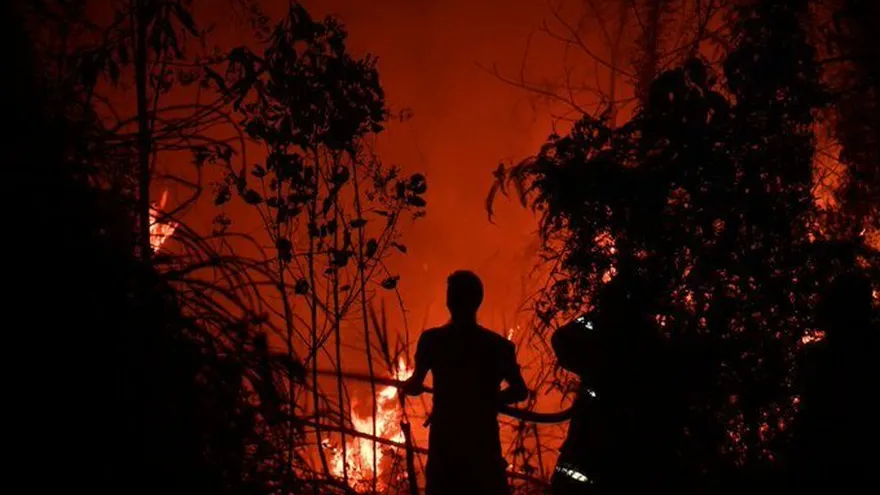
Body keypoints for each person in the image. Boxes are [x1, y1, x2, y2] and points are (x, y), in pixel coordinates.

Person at [403, 270, 528, 495]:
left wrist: (409, 385)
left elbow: (414, 385)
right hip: (483, 443)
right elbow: (519, 391)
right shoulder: (499, 346)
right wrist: (491, 400)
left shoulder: (432, 341)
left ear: (449, 301)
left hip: (446, 444)